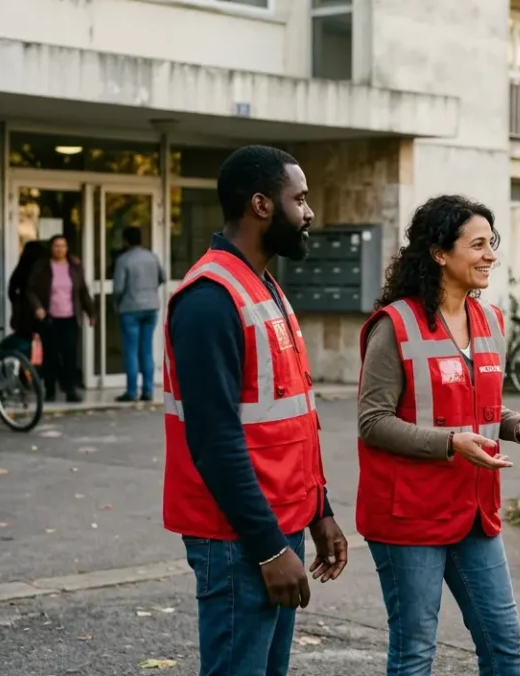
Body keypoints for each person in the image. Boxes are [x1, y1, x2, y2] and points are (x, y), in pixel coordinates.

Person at [355, 194, 520, 676]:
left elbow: (478, 407)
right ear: (439, 253)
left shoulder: (490, 320)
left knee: (504, 645)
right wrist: (451, 443)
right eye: (477, 245)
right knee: (415, 653)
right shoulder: (396, 326)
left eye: (491, 243)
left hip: (474, 512)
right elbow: (372, 421)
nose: (490, 255)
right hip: (409, 515)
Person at [162, 145, 349, 676]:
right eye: (300, 199)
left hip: (277, 522)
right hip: (237, 538)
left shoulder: (261, 286)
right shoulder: (210, 298)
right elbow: (214, 440)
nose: (309, 213)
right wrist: (268, 549)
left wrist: (319, 510)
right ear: (262, 205)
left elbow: (290, 420)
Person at [26, 235, 94, 403]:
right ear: (51, 248)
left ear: (67, 248)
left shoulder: (74, 267)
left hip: (70, 317)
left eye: (63, 246)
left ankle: (71, 390)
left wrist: (91, 313)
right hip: (50, 318)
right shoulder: (42, 267)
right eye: (56, 246)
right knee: (50, 355)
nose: (60, 249)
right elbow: (30, 290)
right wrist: (38, 307)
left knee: (70, 354)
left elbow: (83, 291)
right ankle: (50, 390)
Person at [112, 225, 166, 402]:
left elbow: (119, 288)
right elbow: (163, 277)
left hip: (130, 308)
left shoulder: (123, 259)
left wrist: (115, 303)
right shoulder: (152, 257)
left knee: (131, 351)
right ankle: (148, 390)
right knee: (147, 350)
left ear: (125, 240)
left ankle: (132, 391)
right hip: (151, 307)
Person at [6, 240, 47, 360]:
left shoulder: (20, 270)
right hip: (37, 314)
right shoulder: (40, 271)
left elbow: (11, 292)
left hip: (22, 317)